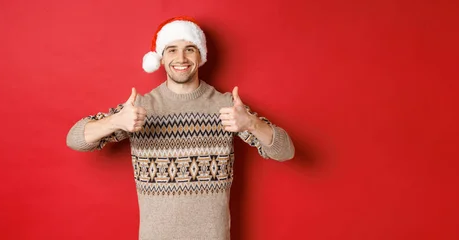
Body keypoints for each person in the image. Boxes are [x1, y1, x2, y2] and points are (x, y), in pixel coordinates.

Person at [66, 16, 295, 240]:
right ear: (162, 59)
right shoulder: (139, 108)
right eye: (172, 49)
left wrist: (251, 124)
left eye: (190, 49)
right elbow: (75, 138)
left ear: (201, 56)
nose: (181, 58)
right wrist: (115, 121)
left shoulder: (227, 106)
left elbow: (286, 151)